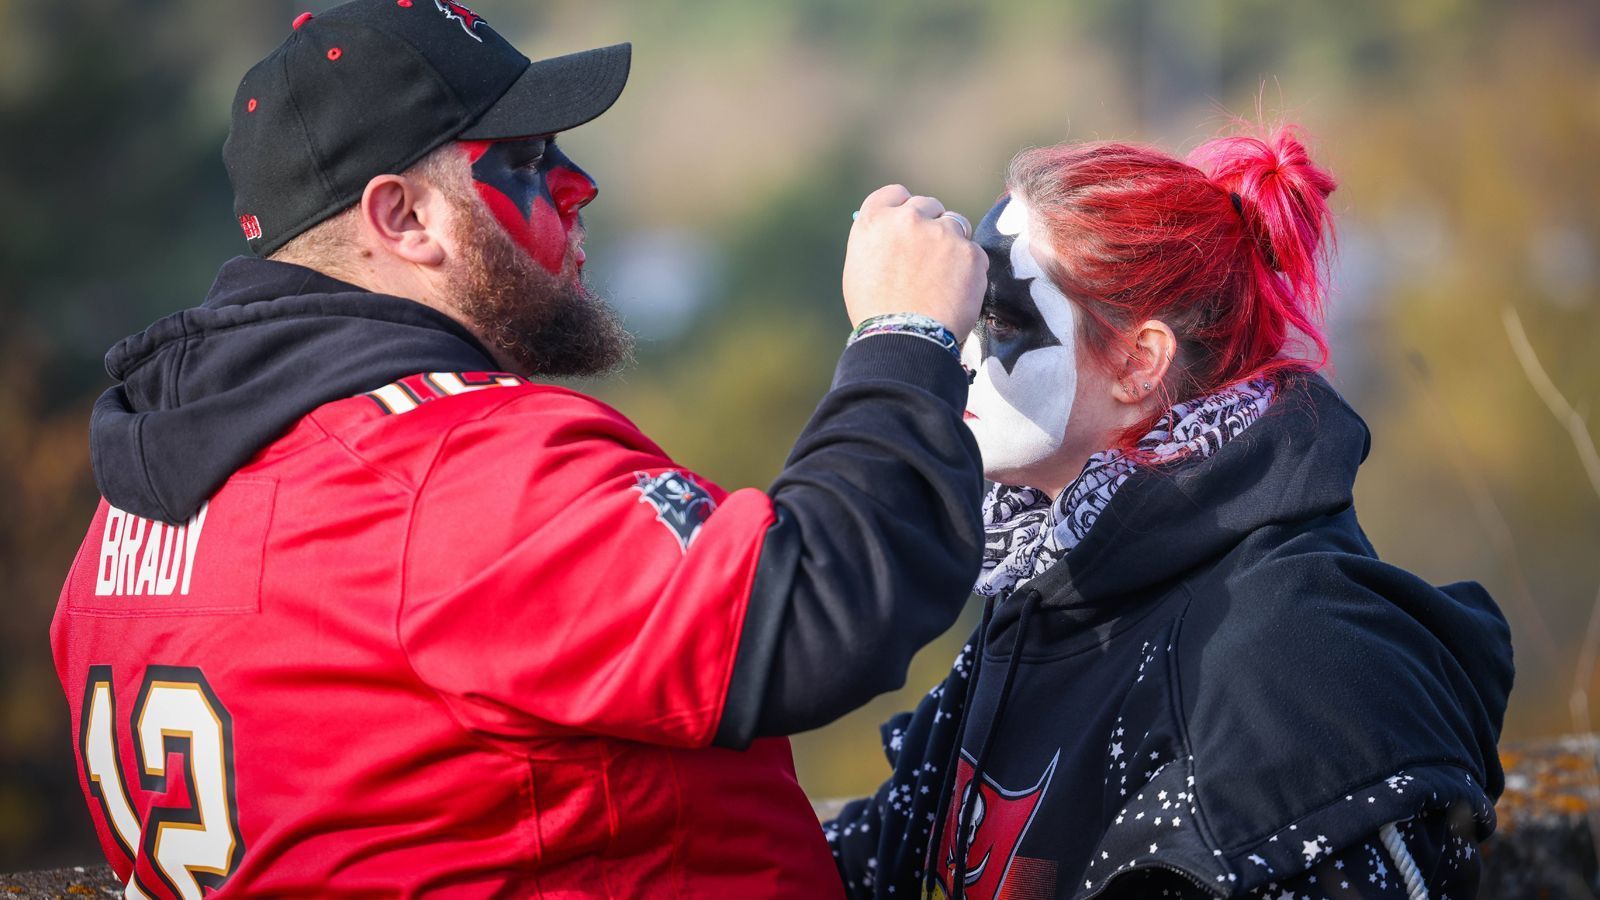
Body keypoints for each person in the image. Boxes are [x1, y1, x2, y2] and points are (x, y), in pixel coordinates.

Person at [51, 1, 991, 894]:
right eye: (528, 159)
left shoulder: (122, 522)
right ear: (403, 217)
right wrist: (905, 336)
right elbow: (820, 608)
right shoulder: (448, 464)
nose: (579, 186)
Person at [825, 126, 1514, 899]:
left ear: (1138, 362)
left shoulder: (1297, 665)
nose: (960, 356)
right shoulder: (1045, 585)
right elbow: (875, 859)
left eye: (1002, 321)